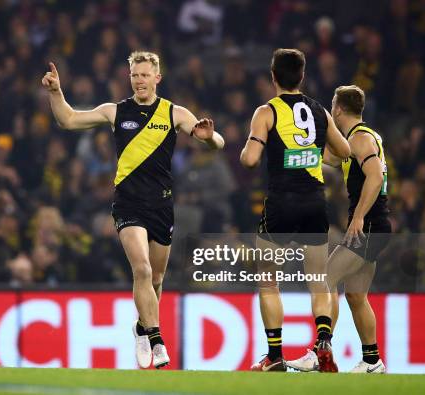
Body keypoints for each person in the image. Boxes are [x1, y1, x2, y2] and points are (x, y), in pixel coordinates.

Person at [42, 51, 224, 368]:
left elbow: (214, 141)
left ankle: (141, 327)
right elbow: (68, 119)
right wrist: (56, 92)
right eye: (134, 75)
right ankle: (155, 338)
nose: (139, 80)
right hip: (128, 204)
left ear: (157, 78)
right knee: (140, 269)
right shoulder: (115, 111)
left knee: (156, 279)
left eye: (144, 75)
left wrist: (210, 139)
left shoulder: (174, 112)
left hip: (162, 206)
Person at [240, 48, 351, 372]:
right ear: (301, 76)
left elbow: (249, 160)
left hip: (281, 203)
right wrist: (312, 153)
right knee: (318, 280)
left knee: (268, 281)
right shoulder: (318, 111)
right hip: (315, 202)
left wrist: (252, 144)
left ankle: (275, 355)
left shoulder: (266, 111)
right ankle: (323, 342)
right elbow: (343, 151)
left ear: (273, 76)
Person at [288, 85, 390, 373]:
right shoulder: (361, 138)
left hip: (370, 225)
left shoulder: (359, 138)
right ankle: (372, 360)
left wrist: (358, 218)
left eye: (333, 105)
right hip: (378, 225)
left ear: (339, 108)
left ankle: (320, 350)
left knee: (325, 278)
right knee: (357, 295)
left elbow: (372, 177)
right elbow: (328, 159)